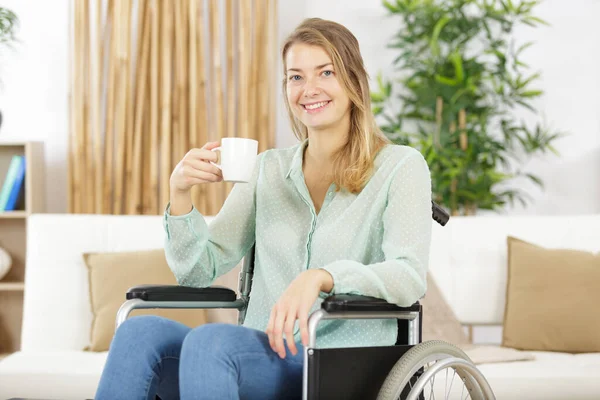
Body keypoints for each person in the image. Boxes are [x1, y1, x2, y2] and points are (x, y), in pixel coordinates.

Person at [95, 17, 432, 400]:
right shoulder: (267, 169)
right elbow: (197, 271)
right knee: (139, 331)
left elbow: (407, 276)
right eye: (295, 77)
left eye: (326, 72)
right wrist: (181, 194)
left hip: (343, 360)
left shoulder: (401, 166)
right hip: (260, 353)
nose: (310, 89)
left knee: (212, 342)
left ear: (353, 80)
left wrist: (322, 277)